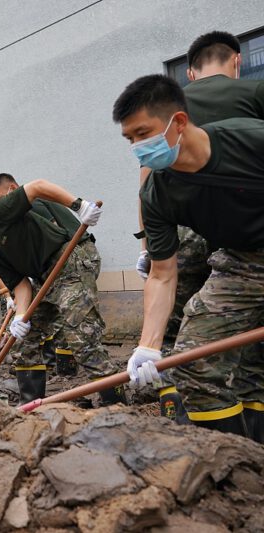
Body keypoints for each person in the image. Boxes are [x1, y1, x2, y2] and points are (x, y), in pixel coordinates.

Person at [113, 73, 264, 440]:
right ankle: (240, 465)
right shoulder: (158, 193)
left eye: (143, 133)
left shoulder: (252, 139)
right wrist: (148, 346)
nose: (137, 147)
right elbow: (163, 274)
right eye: (129, 139)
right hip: (242, 262)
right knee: (195, 362)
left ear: (178, 122)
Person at [0, 183, 125, 406]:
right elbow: (22, 285)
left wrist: (78, 205)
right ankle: (32, 406)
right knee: (23, 340)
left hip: (69, 262)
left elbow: (36, 187)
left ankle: (116, 406)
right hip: (43, 277)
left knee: (80, 336)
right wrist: (20, 317)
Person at [0, 173, 102, 376]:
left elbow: (49, 233)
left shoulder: (28, 204)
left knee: (76, 319)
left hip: (73, 255)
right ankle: (66, 372)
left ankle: (86, 372)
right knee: (59, 318)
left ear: (12, 189)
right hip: (66, 257)